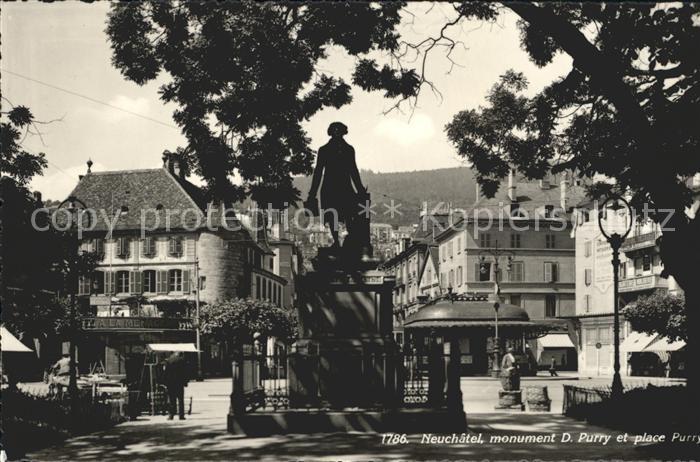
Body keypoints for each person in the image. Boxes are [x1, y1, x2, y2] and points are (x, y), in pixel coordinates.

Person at [305, 122, 368, 249]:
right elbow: (318, 172)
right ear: (331, 132)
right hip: (329, 187)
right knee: (331, 215)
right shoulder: (324, 150)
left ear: (344, 132)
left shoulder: (348, 149)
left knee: (349, 213)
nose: (337, 132)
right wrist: (312, 193)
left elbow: (353, 170)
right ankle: (336, 242)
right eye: (335, 130)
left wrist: (360, 189)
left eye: (339, 130)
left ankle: (348, 240)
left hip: (343, 187)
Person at [161, 352, 188, 420]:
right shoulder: (182, 361)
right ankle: (181, 415)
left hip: (171, 383)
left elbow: (165, 373)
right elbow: (185, 372)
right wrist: (185, 382)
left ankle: (171, 415)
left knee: (172, 400)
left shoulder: (168, 361)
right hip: (179, 383)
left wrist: (165, 382)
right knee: (180, 400)